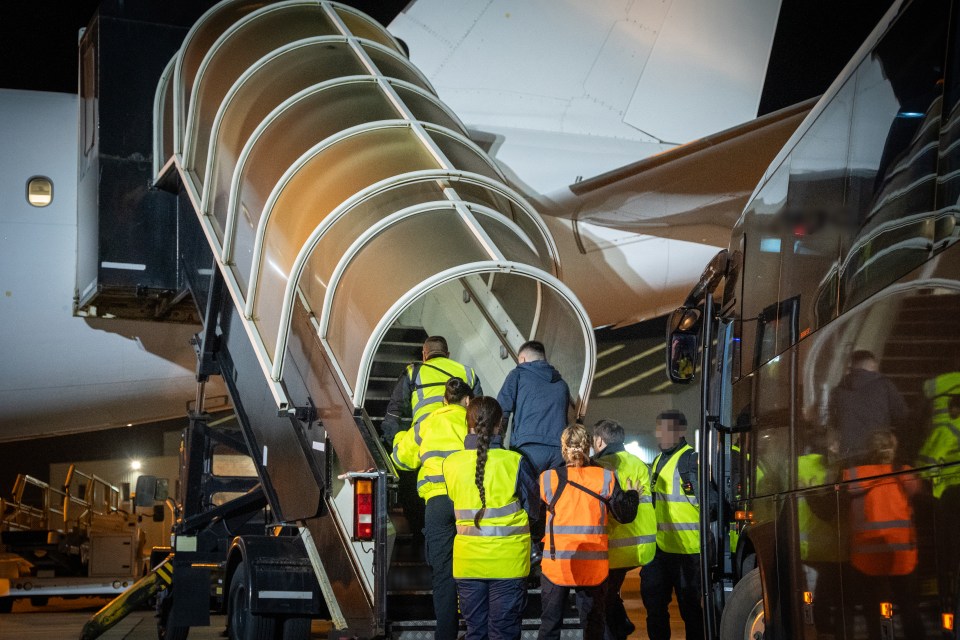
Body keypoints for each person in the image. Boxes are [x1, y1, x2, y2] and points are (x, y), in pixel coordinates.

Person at [443, 396, 539, 640]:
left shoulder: (450, 464)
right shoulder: (515, 462)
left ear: (468, 423)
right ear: (500, 425)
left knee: (475, 632)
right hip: (509, 564)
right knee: (504, 633)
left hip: (468, 564)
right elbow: (534, 511)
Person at [391, 378, 474, 640]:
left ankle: (446, 634)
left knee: (443, 572)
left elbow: (401, 459)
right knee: (472, 568)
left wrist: (399, 436)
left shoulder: (426, 423)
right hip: (467, 502)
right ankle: (475, 630)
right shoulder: (472, 423)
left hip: (437, 503)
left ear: (444, 401)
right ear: (468, 401)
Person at [539, 424, 639, 640]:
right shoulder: (605, 478)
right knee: (593, 627)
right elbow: (624, 515)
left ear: (563, 447)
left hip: (556, 565)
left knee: (549, 626)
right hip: (594, 567)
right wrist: (633, 494)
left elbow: (538, 519)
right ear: (589, 447)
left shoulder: (548, 479)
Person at [640, 410, 704, 640]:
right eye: (660, 430)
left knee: (692, 612)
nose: (662, 435)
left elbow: (711, 506)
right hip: (659, 550)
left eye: (668, 430)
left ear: (682, 432)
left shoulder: (691, 461)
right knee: (654, 607)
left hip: (688, 552)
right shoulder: (657, 461)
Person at [591, 419, 656, 640]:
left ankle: (618, 630)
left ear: (599, 440)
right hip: (642, 546)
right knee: (610, 595)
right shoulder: (640, 464)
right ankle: (622, 625)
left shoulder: (599, 466)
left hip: (614, 548)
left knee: (602, 599)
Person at [382, 336, 482, 444]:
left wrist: (390, 440)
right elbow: (480, 410)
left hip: (424, 432)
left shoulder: (413, 372)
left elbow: (396, 408)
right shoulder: (468, 372)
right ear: (447, 355)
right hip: (460, 431)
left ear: (424, 355)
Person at [497, 340, 570, 475]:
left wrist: (497, 442)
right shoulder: (562, 384)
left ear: (523, 359)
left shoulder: (517, 374)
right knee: (552, 494)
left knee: (526, 493)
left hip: (528, 448)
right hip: (558, 451)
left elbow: (501, 411)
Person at [828, 349, 908, 465]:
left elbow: (833, 423)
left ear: (853, 367)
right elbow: (902, 415)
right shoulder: (884, 385)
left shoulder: (837, 391)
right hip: (877, 454)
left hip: (847, 456)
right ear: (872, 364)